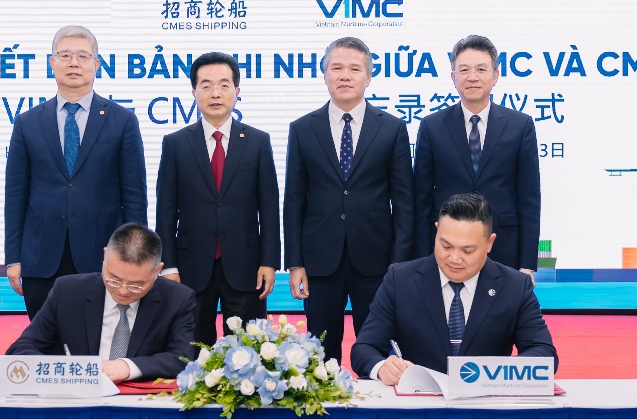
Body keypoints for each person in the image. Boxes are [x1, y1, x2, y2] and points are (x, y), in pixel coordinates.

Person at [283, 37, 413, 361]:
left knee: (377, 349)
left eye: (354, 69)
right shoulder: (302, 129)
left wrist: (399, 262)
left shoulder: (392, 128)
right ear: (324, 75)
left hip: (377, 260)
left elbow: (404, 201)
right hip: (319, 261)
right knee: (321, 353)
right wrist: (296, 263)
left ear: (368, 77)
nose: (345, 75)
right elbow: (294, 200)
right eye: (336, 68)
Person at [5, 25, 148, 319]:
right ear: (52, 63)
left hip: (104, 257)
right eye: (65, 55)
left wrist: (135, 258)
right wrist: (14, 258)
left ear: (97, 65)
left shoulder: (122, 121)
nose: (74, 63)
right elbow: (15, 197)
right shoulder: (27, 123)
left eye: (83, 56)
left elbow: (134, 197)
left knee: (99, 339)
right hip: (41, 257)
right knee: (45, 338)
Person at [352, 194, 557, 386]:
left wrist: (494, 374)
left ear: (490, 243)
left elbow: (544, 353)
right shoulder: (400, 280)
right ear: (436, 232)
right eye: (446, 246)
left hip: (486, 402)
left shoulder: (515, 286)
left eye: (468, 250)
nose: (455, 259)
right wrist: (382, 368)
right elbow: (364, 348)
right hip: (419, 402)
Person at [155, 52, 280, 347]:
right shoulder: (175, 143)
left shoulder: (258, 142)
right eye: (206, 85)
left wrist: (269, 261)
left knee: (247, 351)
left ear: (237, 91)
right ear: (194, 92)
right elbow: (165, 211)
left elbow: (269, 208)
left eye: (224, 85)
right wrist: (168, 266)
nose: (215, 93)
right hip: (190, 266)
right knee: (191, 350)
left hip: (246, 265)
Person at [413, 34, 541, 279]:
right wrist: (421, 261)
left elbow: (529, 199)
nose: (472, 77)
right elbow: (421, 200)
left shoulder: (520, 125)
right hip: (447, 250)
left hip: (503, 246)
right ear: (453, 77)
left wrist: (527, 264)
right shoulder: (432, 126)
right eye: (464, 70)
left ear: (495, 75)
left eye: (481, 69)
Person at [7, 223, 195, 381]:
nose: (123, 290)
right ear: (105, 256)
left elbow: (182, 358)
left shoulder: (177, 299)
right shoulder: (68, 291)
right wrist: (68, 371)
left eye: (136, 285)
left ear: (157, 271)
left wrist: (128, 367)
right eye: (114, 279)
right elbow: (19, 350)